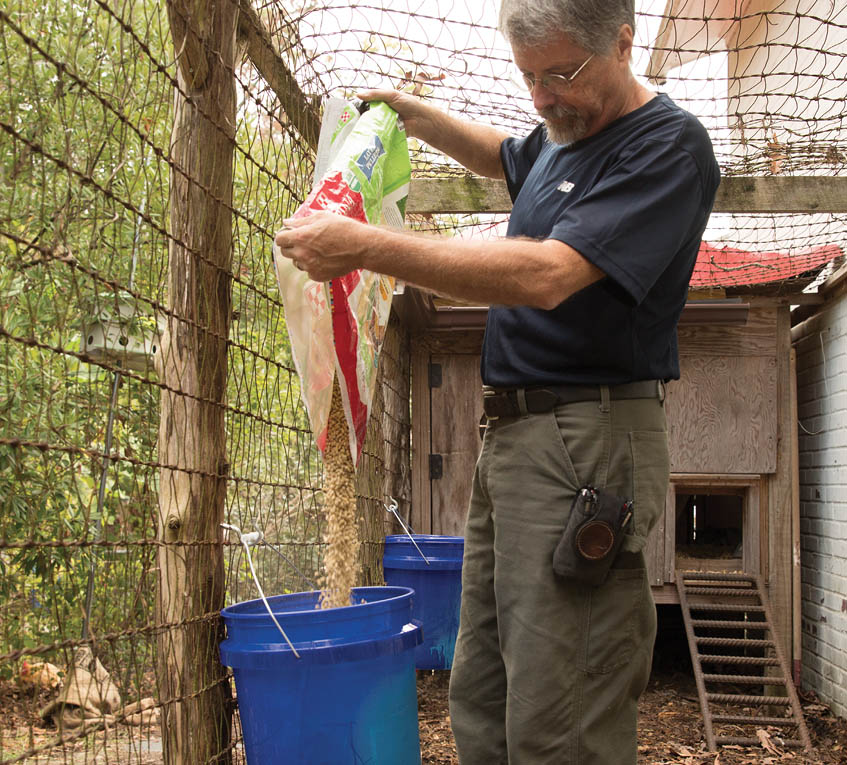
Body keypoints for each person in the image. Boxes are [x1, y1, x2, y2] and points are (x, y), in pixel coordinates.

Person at [275, 0, 720, 761]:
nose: (542, 96)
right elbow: (504, 155)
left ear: (623, 41)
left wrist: (368, 246)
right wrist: (417, 117)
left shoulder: (666, 147)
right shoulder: (562, 135)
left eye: (560, 74)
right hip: (515, 439)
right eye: (527, 76)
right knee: (481, 686)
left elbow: (548, 275)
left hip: (583, 442)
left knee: (563, 702)